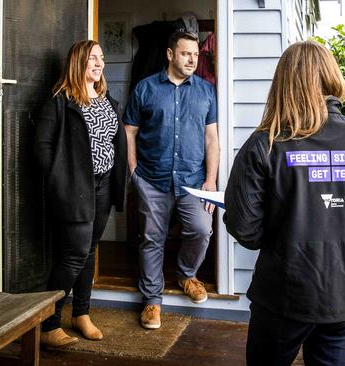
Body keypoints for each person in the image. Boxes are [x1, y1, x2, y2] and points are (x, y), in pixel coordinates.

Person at [224, 41, 345, 366]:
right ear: (332, 78)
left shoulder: (265, 144)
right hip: (344, 294)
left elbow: (244, 228)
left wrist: (287, 229)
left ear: (283, 83)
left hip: (283, 295)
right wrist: (340, 221)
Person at [34, 40, 129, 347]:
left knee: (89, 251)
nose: (99, 63)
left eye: (101, 58)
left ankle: (81, 314)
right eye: (92, 59)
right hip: (75, 189)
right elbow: (42, 147)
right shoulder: (60, 100)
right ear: (78, 62)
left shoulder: (105, 98)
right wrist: (62, 180)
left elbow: (114, 141)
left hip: (102, 186)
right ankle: (48, 325)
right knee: (73, 255)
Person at [124, 31, 219, 330]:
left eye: (195, 54)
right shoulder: (145, 88)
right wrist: (134, 172)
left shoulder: (206, 91)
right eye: (185, 53)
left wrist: (211, 181)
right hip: (152, 179)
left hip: (193, 181)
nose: (192, 59)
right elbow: (130, 131)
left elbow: (211, 137)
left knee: (202, 230)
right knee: (152, 238)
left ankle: (186, 274)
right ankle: (152, 300)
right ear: (169, 54)